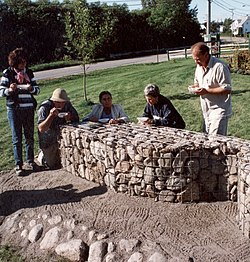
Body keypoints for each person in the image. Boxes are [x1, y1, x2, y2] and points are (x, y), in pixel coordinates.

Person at [0, 47, 40, 175]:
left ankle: (31, 161)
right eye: (21, 62)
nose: (24, 64)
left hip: (28, 109)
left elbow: (37, 90)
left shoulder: (29, 72)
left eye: (25, 61)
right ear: (15, 62)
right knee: (16, 138)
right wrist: (10, 90)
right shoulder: (8, 73)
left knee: (29, 136)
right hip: (14, 109)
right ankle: (18, 165)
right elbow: (1, 92)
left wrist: (31, 89)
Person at [190, 42, 232, 136]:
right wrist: (195, 88)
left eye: (198, 59)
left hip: (219, 109)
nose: (196, 62)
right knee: (206, 138)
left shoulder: (219, 67)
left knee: (216, 140)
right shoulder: (199, 67)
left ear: (206, 54)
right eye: (194, 59)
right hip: (206, 109)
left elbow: (227, 89)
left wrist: (207, 91)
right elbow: (197, 82)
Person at [37, 88, 79, 169]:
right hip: (48, 140)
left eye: (63, 102)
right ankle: (42, 155)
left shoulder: (67, 105)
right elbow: (41, 129)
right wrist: (50, 116)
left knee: (68, 161)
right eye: (58, 102)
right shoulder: (44, 108)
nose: (61, 105)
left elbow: (77, 119)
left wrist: (69, 118)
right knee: (52, 165)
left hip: (63, 138)